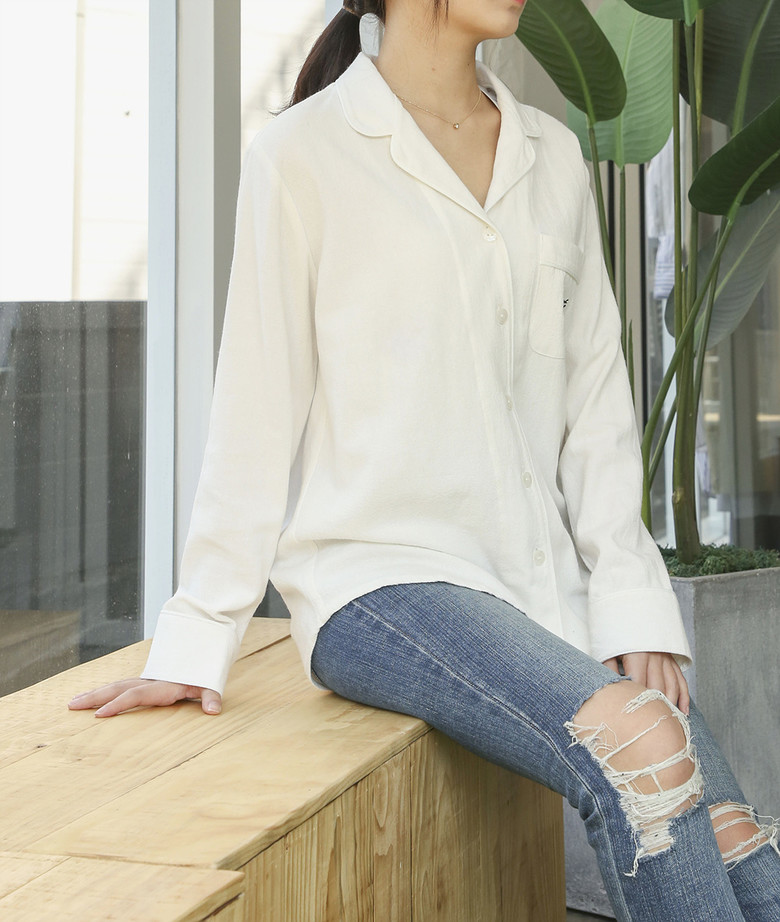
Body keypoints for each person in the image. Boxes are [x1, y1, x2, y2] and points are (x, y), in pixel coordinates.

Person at [68, 1, 780, 918]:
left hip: (536, 583)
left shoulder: (552, 155)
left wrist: (632, 602)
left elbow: (596, 405)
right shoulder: (302, 155)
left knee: (738, 839)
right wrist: (199, 636)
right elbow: (255, 409)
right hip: (379, 582)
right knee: (638, 747)